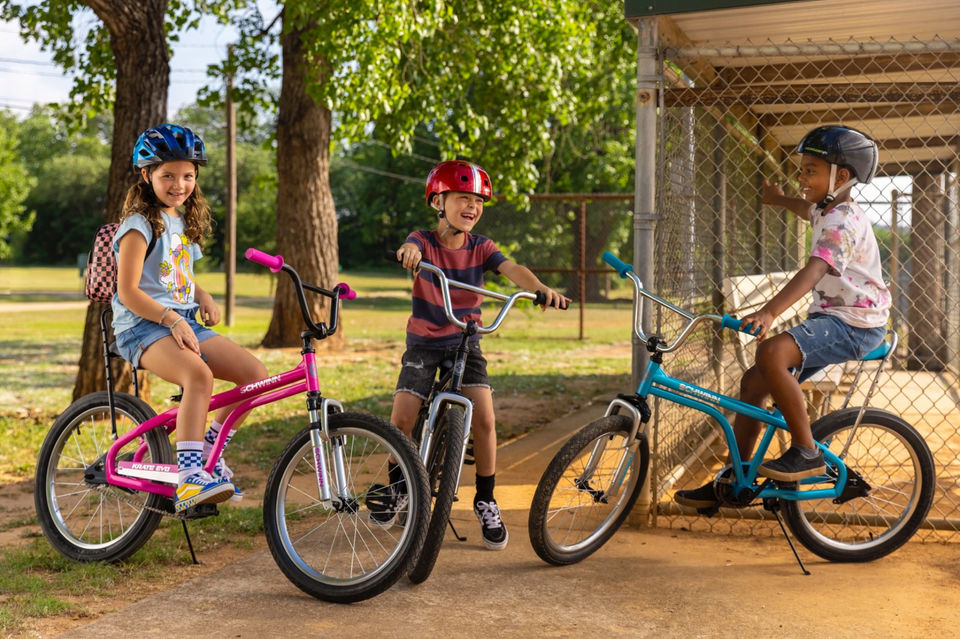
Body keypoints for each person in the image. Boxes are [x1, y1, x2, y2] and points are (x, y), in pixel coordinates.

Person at [675, 125, 891, 510]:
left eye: (810, 171)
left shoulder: (843, 221)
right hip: (835, 320)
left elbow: (815, 270)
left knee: (772, 353)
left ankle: (807, 451)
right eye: (801, 170)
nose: (802, 177)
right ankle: (736, 480)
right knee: (752, 384)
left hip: (856, 324)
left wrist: (770, 311)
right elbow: (806, 209)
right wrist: (778, 199)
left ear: (841, 176)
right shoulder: (827, 209)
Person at [381, 159, 569, 550]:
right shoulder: (423, 240)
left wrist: (540, 288)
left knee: (483, 418)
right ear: (438, 202)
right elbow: (410, 247)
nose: (472, 207)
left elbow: (512, 268)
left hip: (466, 342)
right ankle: (398, 487)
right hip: (423, 343)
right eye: (463, 198)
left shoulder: (481, 247)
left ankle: (486, 498)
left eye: (479, 201)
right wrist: (408, 253)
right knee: (402, 417)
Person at [112, 123, 267, 513]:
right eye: (168, 175)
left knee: (254, 376)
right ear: (146, 175)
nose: (178, 184)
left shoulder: (182, 223)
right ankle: (189, 475)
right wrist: (172, 319)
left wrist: (203, 295)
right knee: (199, 376)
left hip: (180, 320)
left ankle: (209, 452)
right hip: (140, 326)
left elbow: (178, 278)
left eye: (187, 176)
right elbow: (128, 291)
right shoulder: (138, 225)